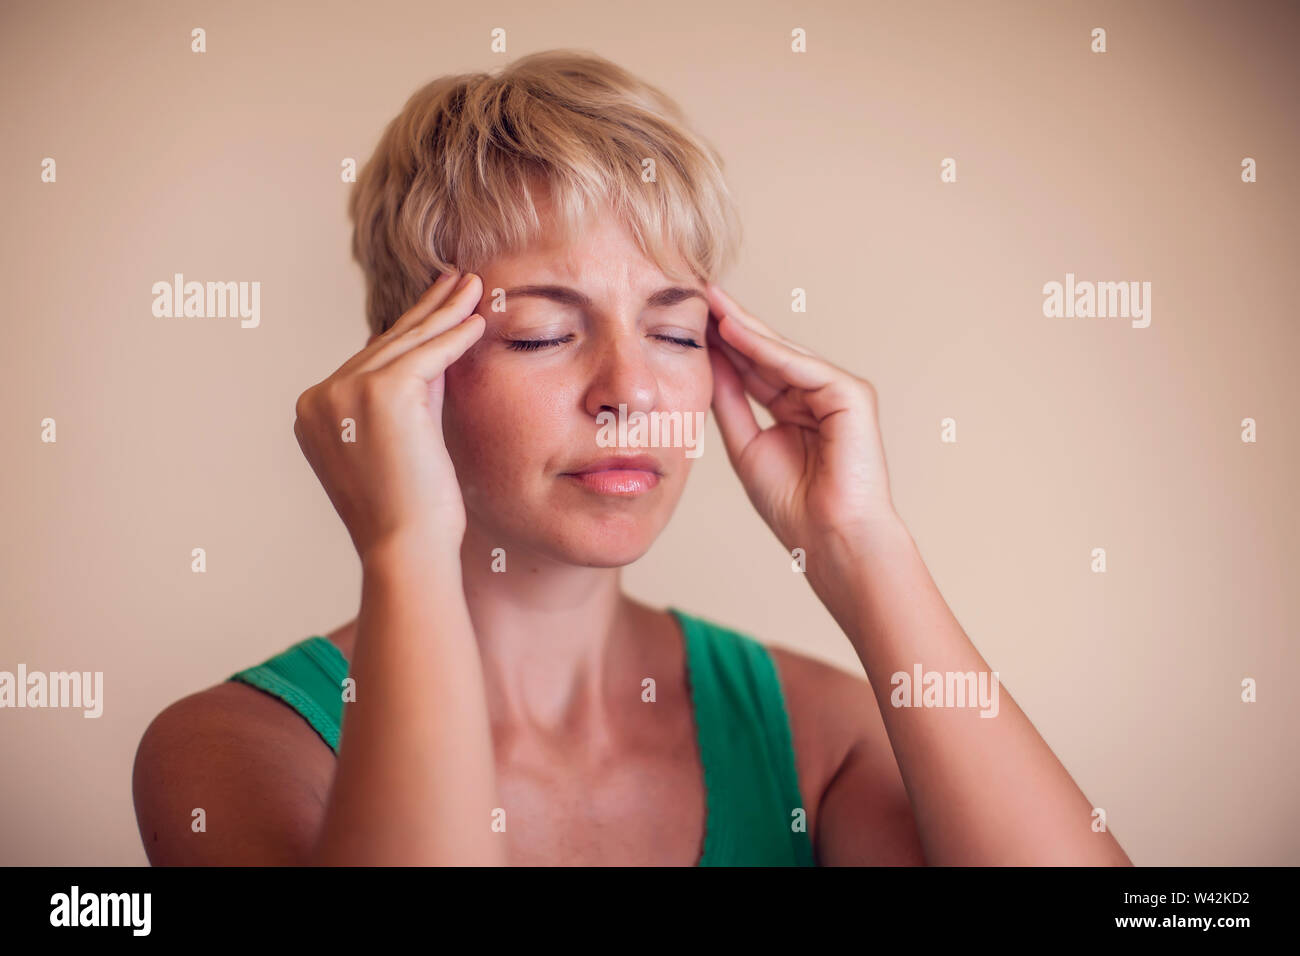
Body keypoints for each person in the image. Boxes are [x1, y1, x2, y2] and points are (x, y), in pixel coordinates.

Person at [131, 49, 1132, 866]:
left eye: (674, 331)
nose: (632, 391)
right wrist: (405, 545)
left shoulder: (815, 732)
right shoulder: (241, 747)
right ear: (405, 372)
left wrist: (860, 542)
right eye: (539, 333)